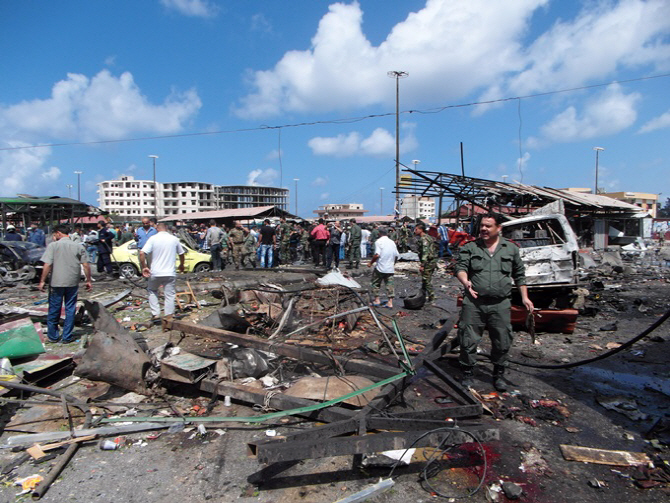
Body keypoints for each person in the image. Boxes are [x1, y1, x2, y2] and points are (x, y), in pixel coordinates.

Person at [455, 213, 534, 392]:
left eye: (488, 226)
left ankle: (498, 374)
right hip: (474, 302)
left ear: (499, 228)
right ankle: (467, 373)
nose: (483, 229)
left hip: (501, 303)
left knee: (502, 339)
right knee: (468, 337)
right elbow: (460, 268)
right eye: (482, 225)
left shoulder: (510, 249)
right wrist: (465, 281)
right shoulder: (470, 247)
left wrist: (525, 297)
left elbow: (519, 274)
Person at [38, 225, 92, 343]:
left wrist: (42, 281)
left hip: (56, 282)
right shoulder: (78, 246)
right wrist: (88, 280)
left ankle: (53, 336)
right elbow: (86, 265)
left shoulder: (53, 246)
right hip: (72, 282)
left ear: (58, 233)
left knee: (54, 309)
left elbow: (47, 264)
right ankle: (67, 336)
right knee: (70, 309)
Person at [139, 223, 185, 322]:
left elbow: (142, 253)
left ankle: (155, 314)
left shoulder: (153, 238)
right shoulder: (174, 239)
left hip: (155, 272)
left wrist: (144, 267)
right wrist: (181, 265)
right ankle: (169, 316)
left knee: (152, 290)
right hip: (170, 272)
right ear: (166, 228)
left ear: (157, 229)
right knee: (169, 294)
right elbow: (181, 253)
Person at [368, 228, 400, 308]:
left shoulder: (378, 242)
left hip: (381, 267)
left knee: (375, 283)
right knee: (390, 284)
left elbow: (377, 255)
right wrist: (393, 263)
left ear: (379, 234)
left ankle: (377, 300)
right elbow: (396, 255)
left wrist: (371, 263)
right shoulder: (392, 242)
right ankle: (390, 302)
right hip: (390, 267)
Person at [415, 223, 438, 302]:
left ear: (421, 230)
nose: (415, 231)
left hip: (428, 262)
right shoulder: (429, 237)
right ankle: (423, 295)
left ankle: (432, 296)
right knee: (426, 279)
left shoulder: (424, 239)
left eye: (416, 229)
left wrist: (422, 265)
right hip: (432, 261)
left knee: (426, 280)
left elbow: (425, 252)